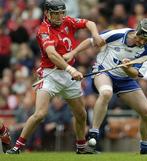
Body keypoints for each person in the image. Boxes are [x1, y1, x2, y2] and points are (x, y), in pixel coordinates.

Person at [6, 0, 104, 154]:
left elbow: (89, 23)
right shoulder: (43, 30)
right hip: (50, 74)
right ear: (47, 13)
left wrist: (95, 34)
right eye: (56, 13)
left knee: (81, 114)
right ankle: (17, 147)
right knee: (40, 114)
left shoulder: (68, 21)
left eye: (62, 12)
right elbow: (52, 54)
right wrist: (71, 70)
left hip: (68, 75)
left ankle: (81, 147)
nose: (60, 16)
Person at [63, 18, 147, 154]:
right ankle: (94, 133)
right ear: (136, 31)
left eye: (146, 41)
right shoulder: (118, 34)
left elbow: (135, 75)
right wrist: (72, 53)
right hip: (104, 71)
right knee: (106, 92)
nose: (142, 42)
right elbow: (92, 42)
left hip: (125, 79)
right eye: (141, 38)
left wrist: (127, 68)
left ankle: (145, 147)